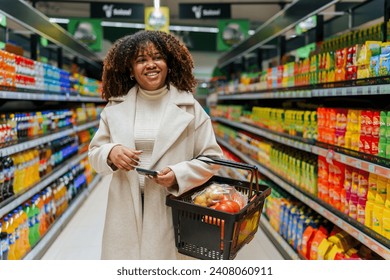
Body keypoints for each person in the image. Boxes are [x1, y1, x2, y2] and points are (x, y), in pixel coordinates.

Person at [88, 30, 223, 260]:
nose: (150, 65)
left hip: (169, 207)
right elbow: (94, 154)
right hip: (125, 209)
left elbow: (212, 158)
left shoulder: (190, 108)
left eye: (157, 57)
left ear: (168, 64)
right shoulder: (114, 107)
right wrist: (111, 152)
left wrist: (179, 174)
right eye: (141, 60)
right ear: (131, 70)